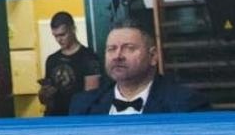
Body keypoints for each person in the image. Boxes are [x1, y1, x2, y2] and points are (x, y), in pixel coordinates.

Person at [69, 23, 209, 115]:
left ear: (153, 56)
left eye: (129, 48)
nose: (117, 56)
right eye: (111, 49)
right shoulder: (82, 105)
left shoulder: (187, 104)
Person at [38, 12, 102, 117]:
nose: (59, 40)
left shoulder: (89, 58)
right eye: (55, 36)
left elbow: (91, 98)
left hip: (77, 118)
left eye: (62, 34)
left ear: (73, 29)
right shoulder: (51, 60)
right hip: (54, 118)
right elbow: (44, 100)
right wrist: (44, 93)